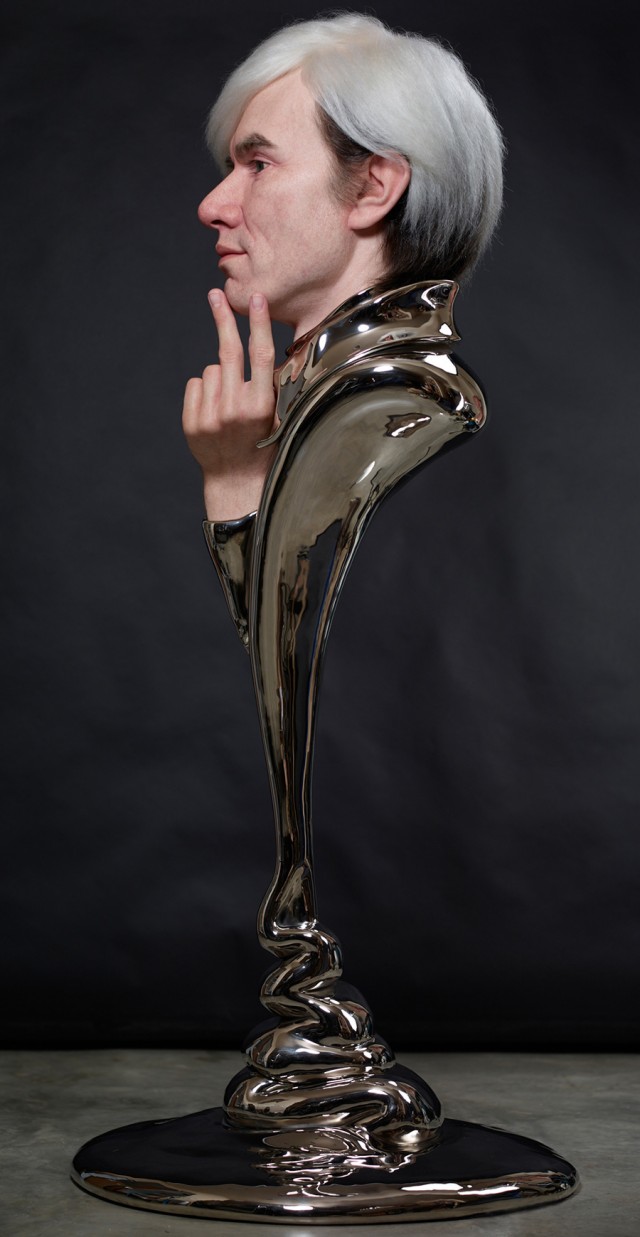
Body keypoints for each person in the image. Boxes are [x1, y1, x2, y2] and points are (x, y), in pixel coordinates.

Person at [182, 13, 504, 1147]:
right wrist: (238, 485)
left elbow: (279, 745)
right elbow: (280, 695)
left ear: (373, 188)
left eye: (257, 163)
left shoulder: (388, 412)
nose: (215, 204)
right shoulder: (338, 403)